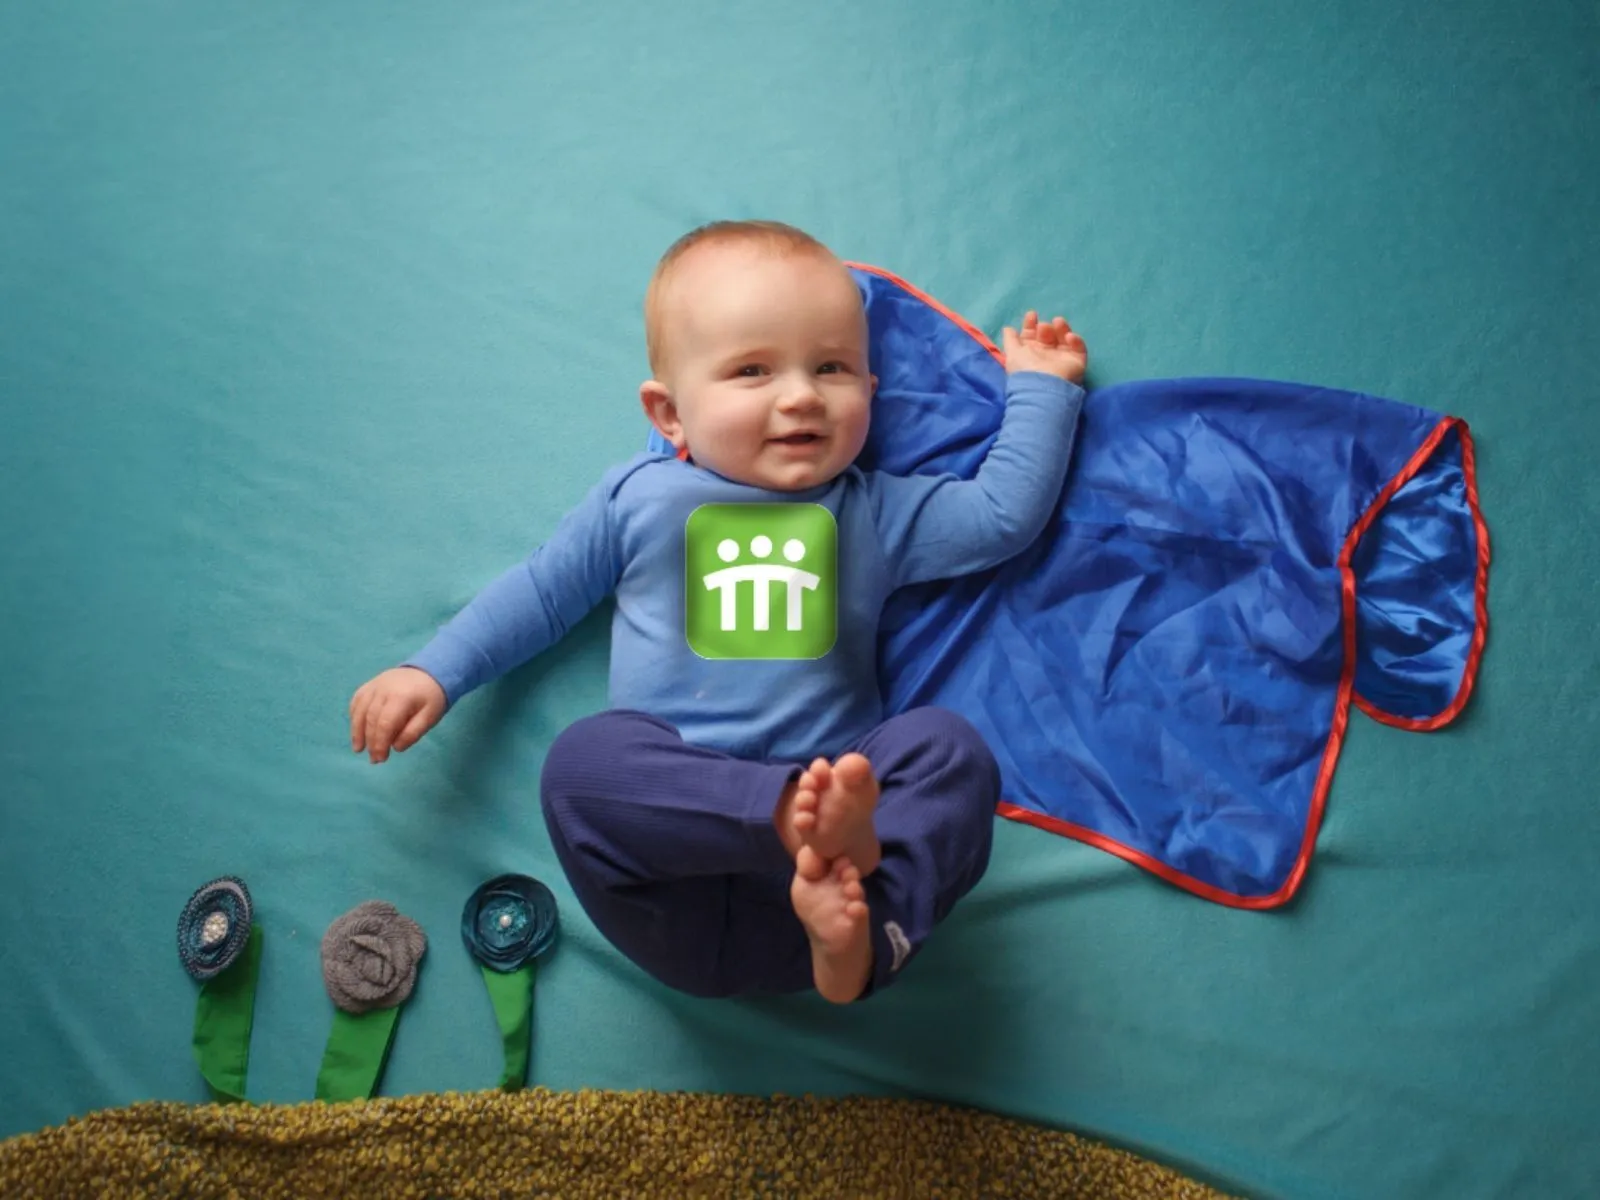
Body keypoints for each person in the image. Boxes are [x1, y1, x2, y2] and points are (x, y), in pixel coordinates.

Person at [349, 220, 1087, 1003]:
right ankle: (788, 820)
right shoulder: (637, 501)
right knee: (581, 766)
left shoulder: (870, 514)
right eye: (752, 371)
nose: (801, 394)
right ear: (669, 414)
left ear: (870, 393)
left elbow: (1001, 516)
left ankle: (860, 942)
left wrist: (1042, 389)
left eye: (832, 367)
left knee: (948, 751)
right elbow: (540, 593)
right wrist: (435, 670)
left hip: (828, 892)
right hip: (673, 887)